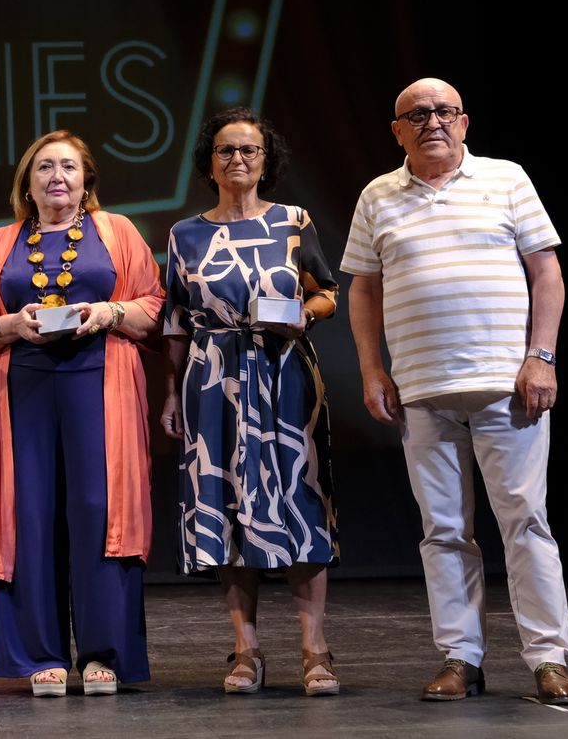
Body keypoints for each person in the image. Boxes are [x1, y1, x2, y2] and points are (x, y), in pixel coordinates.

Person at [340, 77, 568, 704]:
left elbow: (546, 272)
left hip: (509, 385)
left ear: (465, 122)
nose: (432, 122)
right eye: (416, 114)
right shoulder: (378, 195)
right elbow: (361, 290)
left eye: (444, 111)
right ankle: (460, 657)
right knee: (442, 529)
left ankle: (549, 660)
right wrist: (371, 369)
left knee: (526, 521)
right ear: (397, 130)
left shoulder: (506, 178)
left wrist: (542, 357)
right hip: (422, 388)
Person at [0, 130, 163, 697]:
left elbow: (152, 307)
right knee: (30, 512)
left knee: (100, 509)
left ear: (86, 179)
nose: (56, 177)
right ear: (27, 181)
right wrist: (9, 326)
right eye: (44, 167)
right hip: (22, 388)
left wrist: (109, 310)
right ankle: (39, 654)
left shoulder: (117, 232)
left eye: (68, 167)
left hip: (102, 384)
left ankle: (104, 656)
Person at [160, 108, 341, 696]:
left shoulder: (293, 221)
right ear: (209, 162)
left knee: (299, 501)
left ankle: (315, 652)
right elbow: (174, 321)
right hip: (212, 377)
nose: (237, 159)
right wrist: (169, 393)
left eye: (249, 150)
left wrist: (302, 315)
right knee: (226, 504)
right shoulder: (184, 234)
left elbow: (328, 293)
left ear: (267, 160)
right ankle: (246, 651)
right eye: (225, 150)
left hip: (285, 373)